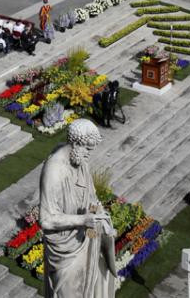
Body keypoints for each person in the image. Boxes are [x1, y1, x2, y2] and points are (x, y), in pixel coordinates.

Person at [39, 119, 118, 297]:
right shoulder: (54, 170)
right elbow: (46, 219)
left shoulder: (81, 161)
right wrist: (83, 220)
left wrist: (100, 215)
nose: (89, 154)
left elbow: (91, 197)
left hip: (85, 238)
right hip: (64, 252)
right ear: (75, 143)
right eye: (88, 149)